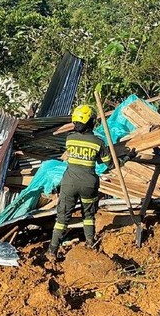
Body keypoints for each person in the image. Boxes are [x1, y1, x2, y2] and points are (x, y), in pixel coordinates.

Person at [46, 105, 113, 262]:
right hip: (89, 184)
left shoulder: (70, 139)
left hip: (68, 184)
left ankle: (52, 251)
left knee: (62, 218)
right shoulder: (98, 142)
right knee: (88, 215)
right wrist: (127, 157)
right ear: (91, 122)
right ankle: (90, 243)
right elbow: (109, 163)